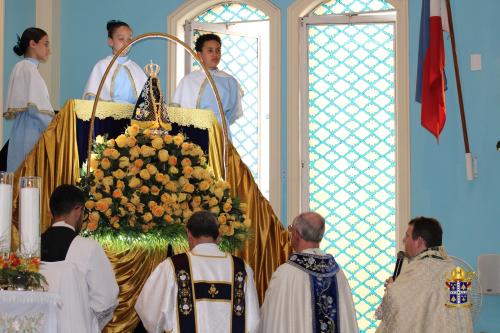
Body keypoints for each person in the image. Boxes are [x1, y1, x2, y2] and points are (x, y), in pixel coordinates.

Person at [135, 210, 260, 333]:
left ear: (189, 235)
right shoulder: (241, 268)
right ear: (218, 236)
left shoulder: (173, 266)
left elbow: (149, 311)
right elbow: (253, 321)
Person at [259, 212, 359, 333]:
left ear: (296, 234)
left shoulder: (285, 274)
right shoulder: (337, 273)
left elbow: (270, 320)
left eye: (291, 229)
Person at [41, 184, 119, 330]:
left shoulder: (30, 249)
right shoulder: (88, 248)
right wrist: (88, 322)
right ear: (78, 210)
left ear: (53, 212)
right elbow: (106, 299)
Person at [375, 217, 473, 332]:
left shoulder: (417, 271)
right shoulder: (455, 272)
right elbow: (462, 316)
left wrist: (392, 287)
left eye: (407, 236)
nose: (403, 240)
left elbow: (397, 302)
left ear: (419, 242)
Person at [3, 27, 55, 172]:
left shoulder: (26, 68)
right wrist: (55, 127)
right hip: (30, 131)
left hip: (28, 128)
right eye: (45, 44)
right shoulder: (27, 68)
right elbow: (37, 110)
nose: (48, 50)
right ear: (33, 44)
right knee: (27, 175)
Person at [173, 33, 243, 138]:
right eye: (210, 50)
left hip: (219, 132)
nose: (215, 54)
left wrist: (217, 121)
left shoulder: (229, 81)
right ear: (199, 55)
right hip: (193, 132)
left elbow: (233, 113)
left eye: (218, 50)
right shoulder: (188, 80)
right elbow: (177, 113)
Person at [83, 20, 146, 104]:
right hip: (107, 114)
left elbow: (145, 99)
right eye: (121, 39)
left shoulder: (136, 68)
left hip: (133, 115)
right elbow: (93, 98)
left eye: (129, 39)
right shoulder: (102, 66)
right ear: (110, 41)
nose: (126, 43)